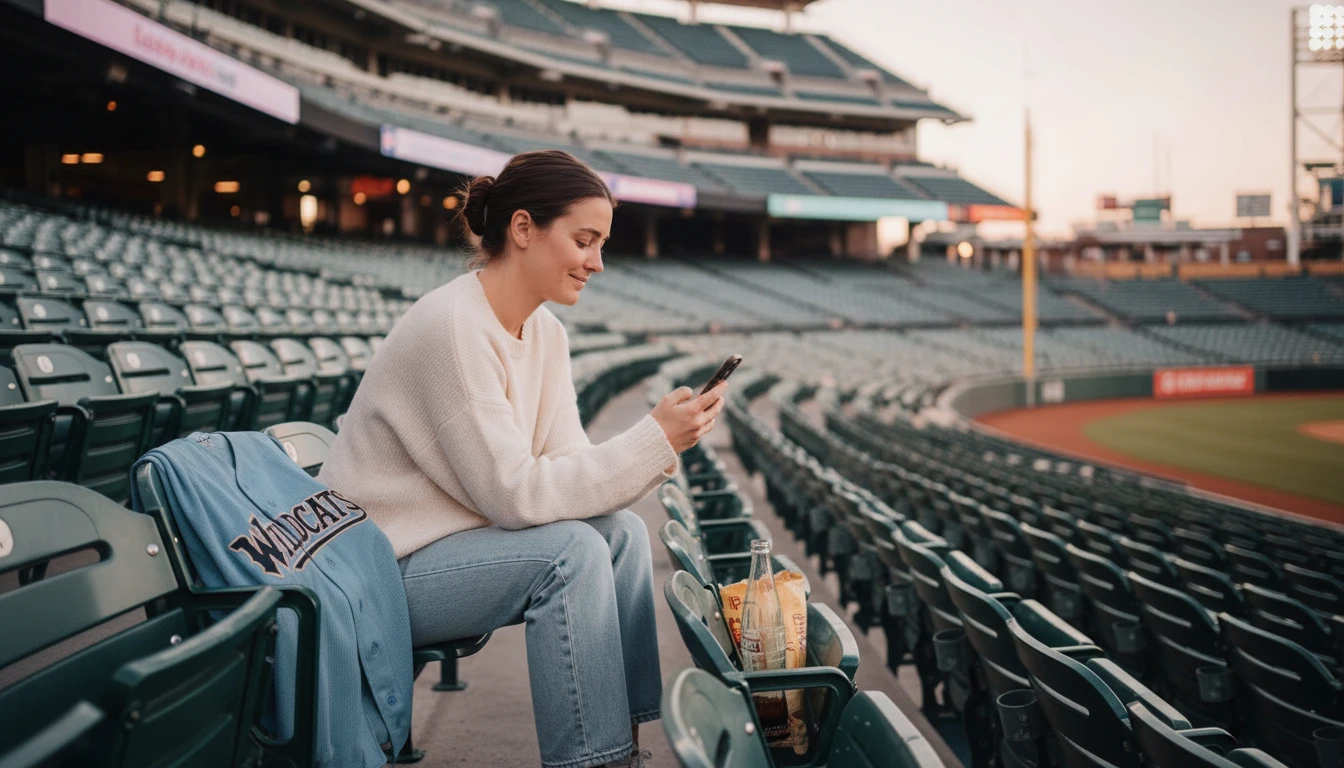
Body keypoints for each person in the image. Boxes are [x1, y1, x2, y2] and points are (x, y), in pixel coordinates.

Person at [318, 149, 727, 768]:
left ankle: (625, 746)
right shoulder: (453, 326)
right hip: (375, 570)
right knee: (572, 552)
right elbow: (516, 496)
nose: (597, 262)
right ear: (524, 229)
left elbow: (567, 468)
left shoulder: (545, 333)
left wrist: (657, 443)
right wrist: (653, 441)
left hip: (446, 545)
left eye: (601, 243)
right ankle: (595, 760)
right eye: (584, 240)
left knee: (619, 535)